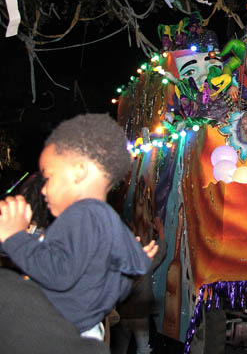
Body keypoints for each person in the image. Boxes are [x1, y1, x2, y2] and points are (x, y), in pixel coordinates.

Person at [0, 114, 157, 353]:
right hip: (85, 328)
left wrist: (15, 238)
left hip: (60, 330)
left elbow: (59, 273)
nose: (42, 189)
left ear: (79, 173)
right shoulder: (104, 218)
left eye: (49, 178)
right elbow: (118, 285)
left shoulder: (80, 216)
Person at [112, 216, 166, 354]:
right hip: (140, 315)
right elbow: (160, 253)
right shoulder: (142, 261)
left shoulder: (119, 261)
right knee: (143, 348)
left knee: (120, 348)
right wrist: (161, 232)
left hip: (123, 314)